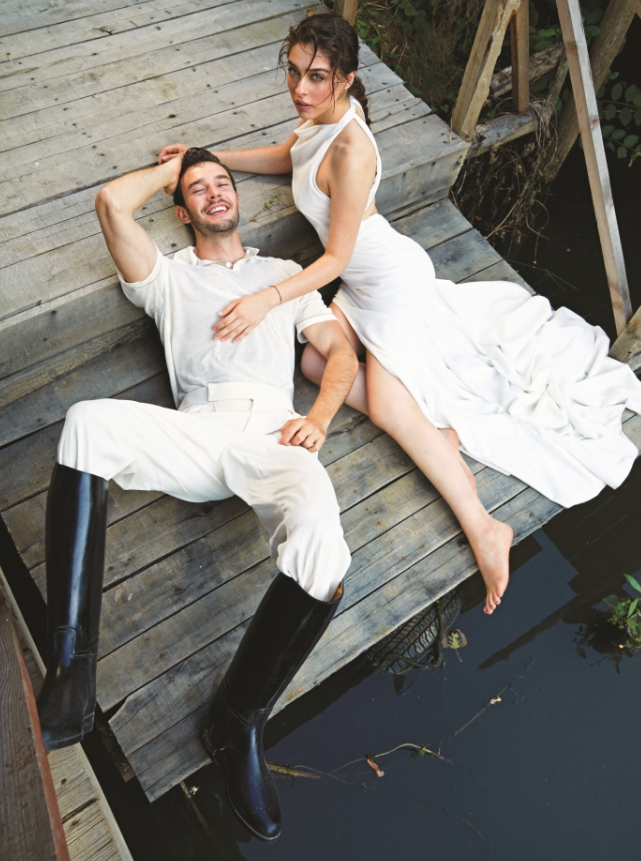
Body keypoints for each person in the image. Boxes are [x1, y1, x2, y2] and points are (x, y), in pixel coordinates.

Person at [159, 12, 641, 615]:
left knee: (387, 405)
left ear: (345, 78)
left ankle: (483, 525)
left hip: (388, 283)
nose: (300, 88)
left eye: (316, 76)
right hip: (363, 283)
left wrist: (267, 298)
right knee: (315, 362)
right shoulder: (320, 116)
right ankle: (434, 433)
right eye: (294, 72)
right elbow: (288, 156)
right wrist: (206, 158)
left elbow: (335, 258)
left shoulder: (350, 150)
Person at [36, 147, 359, 843]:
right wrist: (170, 167)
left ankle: (237, 722)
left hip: (275, 434)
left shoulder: (284, 275)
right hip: (198, 430)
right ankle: (71, 671)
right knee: (86, 422)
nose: (215, 194)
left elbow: (341, 353)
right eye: (198, 189)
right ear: (182, 211)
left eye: (222, 183)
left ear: (237, 197)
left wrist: (320, 417)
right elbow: (111, 204)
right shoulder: (167, 276)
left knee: (326, 552)